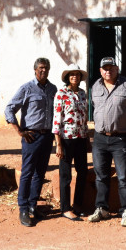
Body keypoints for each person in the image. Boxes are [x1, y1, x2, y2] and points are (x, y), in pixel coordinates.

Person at [87, 56, 126, 227]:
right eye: (104, 68)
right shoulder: (95, 87)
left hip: (121, 138)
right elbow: (94, 107)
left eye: (111, 68)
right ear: (100, 71)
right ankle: (102, 208)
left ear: (116, 68)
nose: (108, 71)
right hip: (99, 138)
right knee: (101, 176)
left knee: (123, 177)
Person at [4, 57, 57, 227]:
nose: (44, 71)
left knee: (40, 173)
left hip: (47, 136)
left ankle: (33, 205)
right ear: (35, 70)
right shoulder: (27, 88)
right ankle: (23, 208)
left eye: (46, 68)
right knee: (27, 172)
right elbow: (9, 108)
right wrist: (19, 130)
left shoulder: (53, 89)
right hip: (31, 136)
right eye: (41, 68)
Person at [53, 64, 90, 221]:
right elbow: (57, 120)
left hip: (81, 139)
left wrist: (87, 139)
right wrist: (58, 144)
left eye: (77, 74)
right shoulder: (61, 93)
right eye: (71, 74)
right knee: (66, 175)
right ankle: (65, 208)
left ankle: (78, 206)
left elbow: (84, 118)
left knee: (83, 172)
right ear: (67, 77)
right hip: (66, 139)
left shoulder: (82, 94)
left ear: (81, 77)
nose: (75, 76)